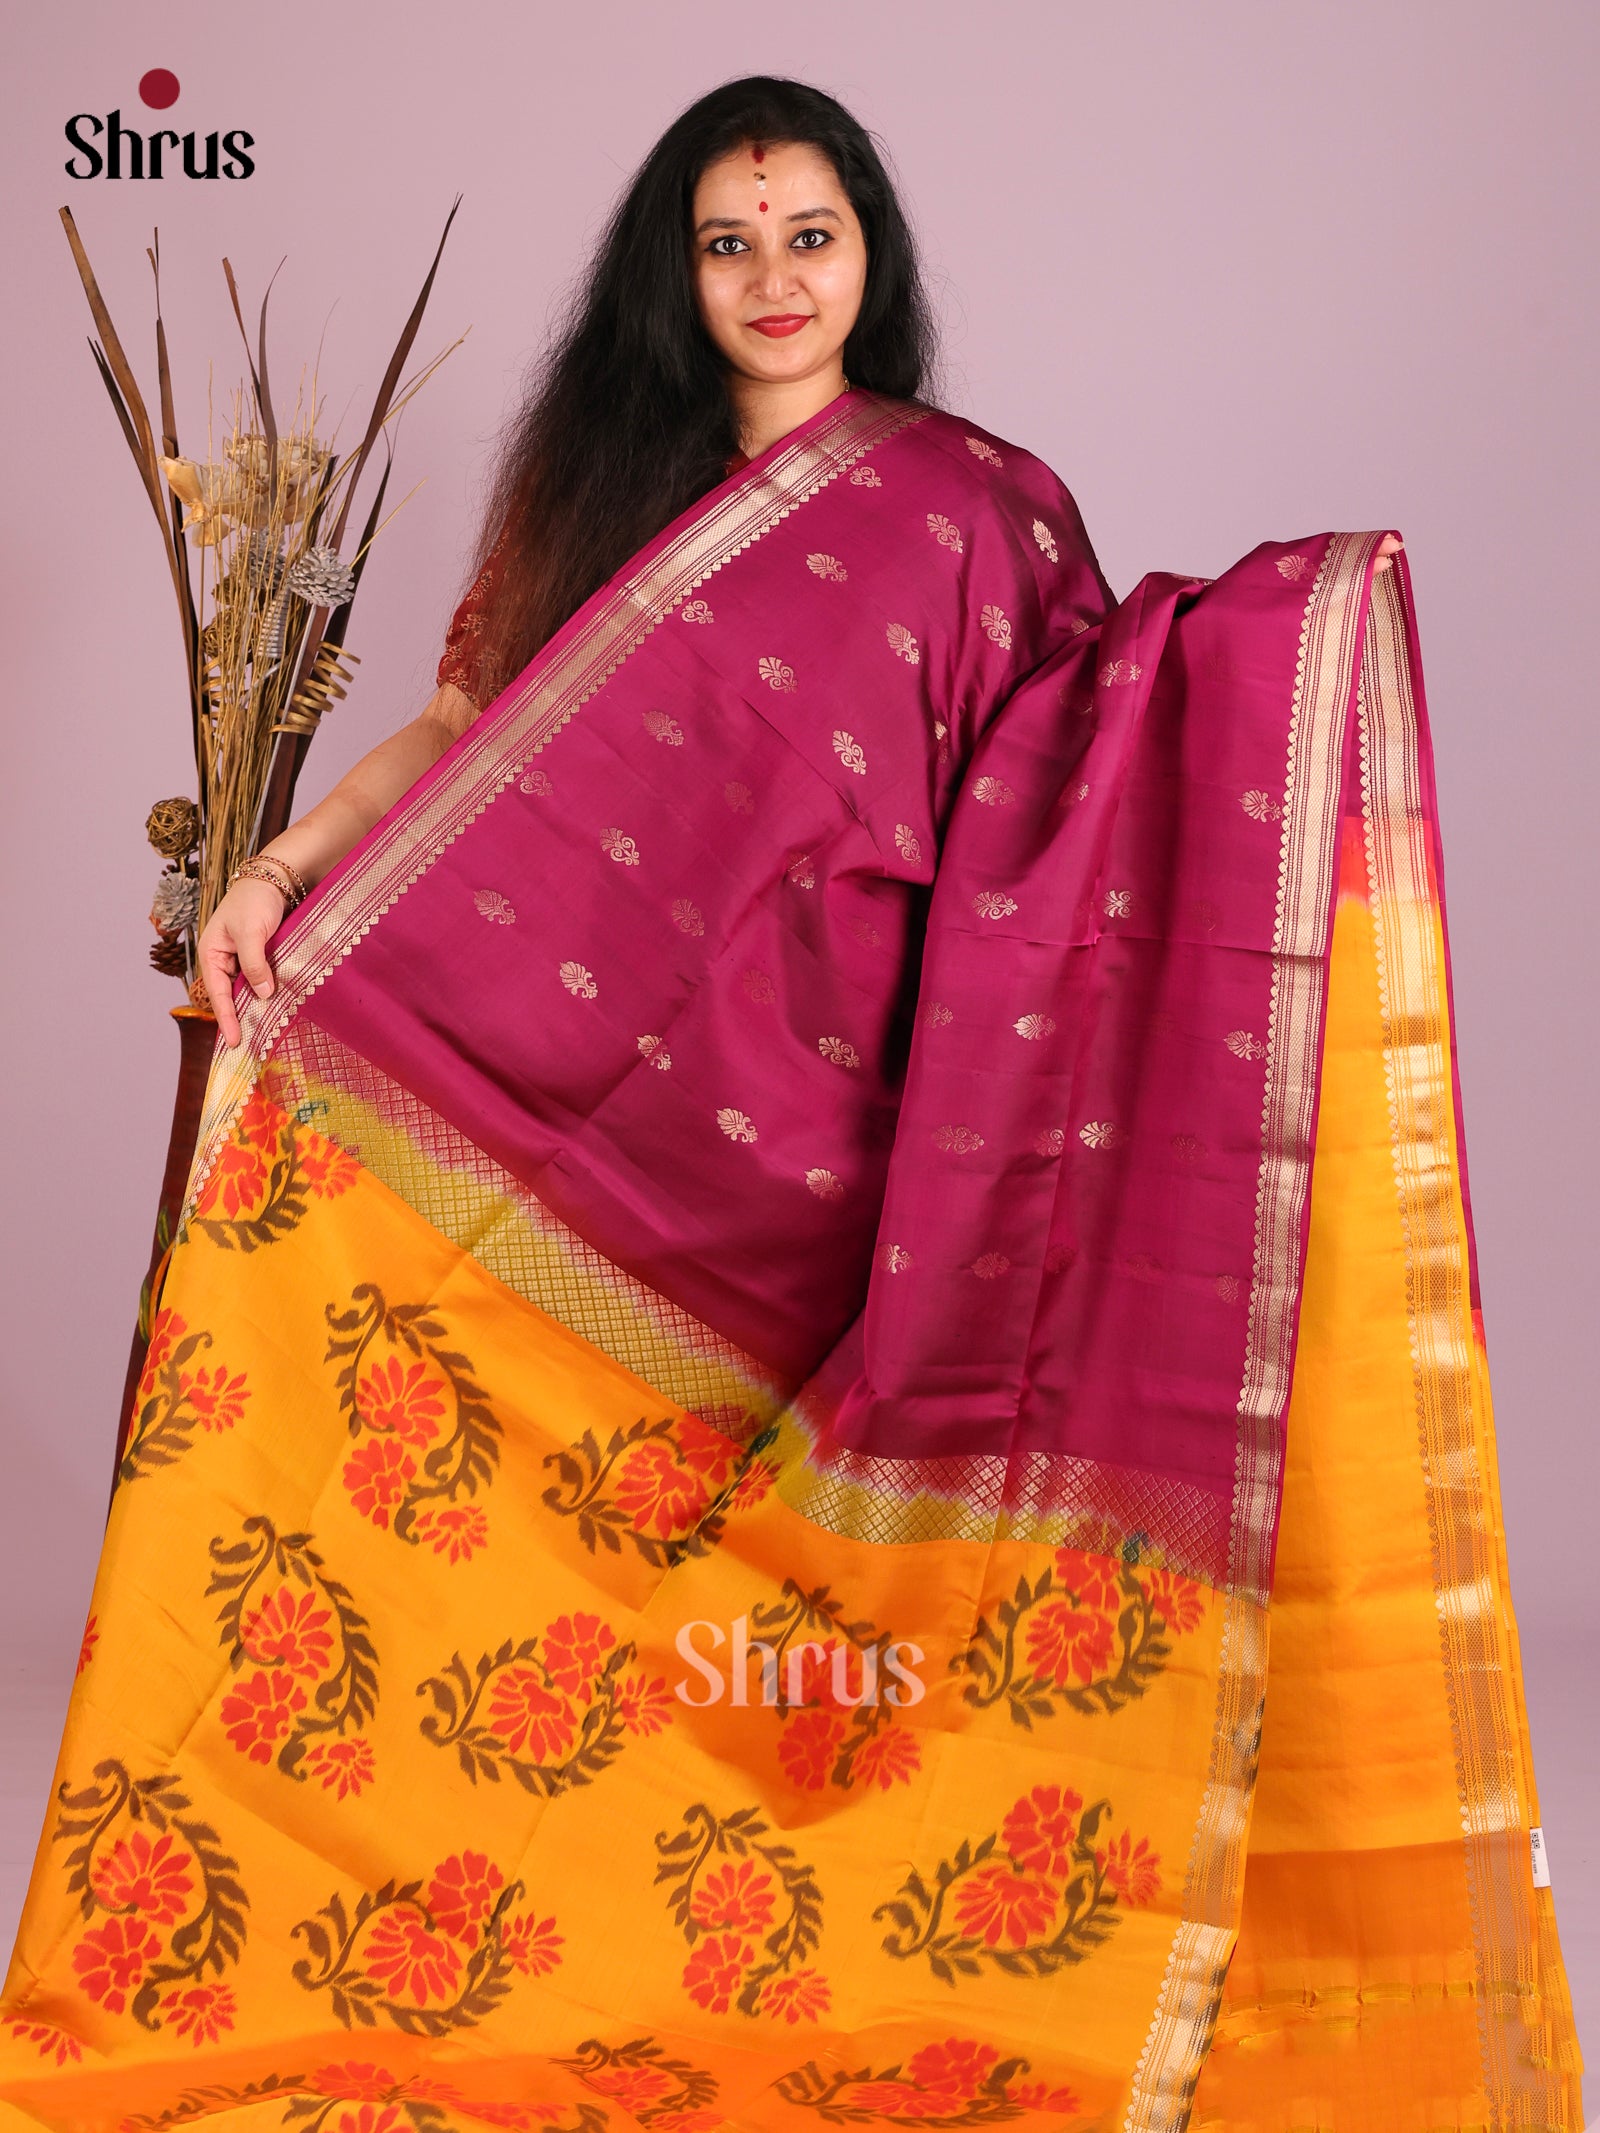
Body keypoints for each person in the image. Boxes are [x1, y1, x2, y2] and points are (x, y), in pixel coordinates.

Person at [0, 75, 1580, 2133]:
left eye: (809, 236)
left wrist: (1276, 644)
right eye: (728, 242)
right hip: (599, 1114)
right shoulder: (594, 502)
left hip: (864, 1129)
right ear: (673, 276)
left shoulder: (970, 504)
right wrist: (278, 878)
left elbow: (1079, 758)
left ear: (869, 260)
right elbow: (463, 730)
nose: (772, 278)